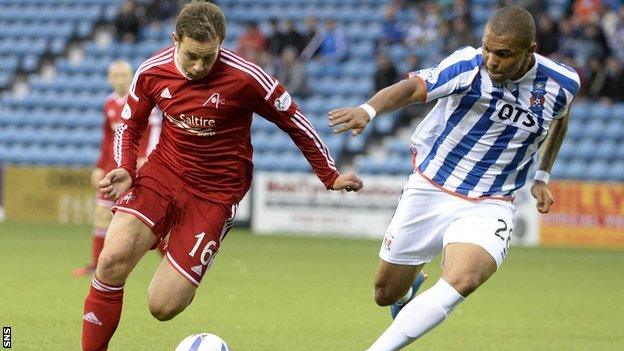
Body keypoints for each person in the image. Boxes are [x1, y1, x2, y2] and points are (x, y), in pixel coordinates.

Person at [81, 2, 362, 350]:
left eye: (208, 57)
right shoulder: (152, 71)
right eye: (191, 56)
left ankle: (177, 247)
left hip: (215, 194)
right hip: (163, 172)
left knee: (163, 306)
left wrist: (329, 174)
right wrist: (124, 166)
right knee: (109, 262)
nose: (199, 66)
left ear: (222, 44)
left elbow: (294, 120)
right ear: (175, 40)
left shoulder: (247, 78)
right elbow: (130, 121)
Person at [328, 6, 579, 350]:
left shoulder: (562, 84)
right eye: (487, 48)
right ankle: (409, 286)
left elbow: (559, 118)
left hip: (492, 200)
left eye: (503, 54)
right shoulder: (467, 65)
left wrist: (542, 175)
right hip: (431, 186)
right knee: (385, 294)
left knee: (464, 278)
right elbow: (413, 88)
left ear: (529, 51)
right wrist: (368, 110)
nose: (491, 60)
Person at [72, 60, 162, 277]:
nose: (120, 78)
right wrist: (99, 166)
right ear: (110, 78)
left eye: (124, 74)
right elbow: (107, 138)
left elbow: (157, 130)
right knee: (101, 214)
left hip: (137, 168)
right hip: (113, 169)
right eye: (116, 75)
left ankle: (171, 259)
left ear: (131, 76)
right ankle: (97, 264)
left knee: (149, 219)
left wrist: (146, 158)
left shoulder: (142, 101)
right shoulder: (109, 104)